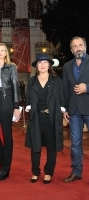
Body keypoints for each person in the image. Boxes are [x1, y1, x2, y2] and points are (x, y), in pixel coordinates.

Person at [25, 54, 65, 184]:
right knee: (35, 145)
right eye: (40, 62)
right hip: (36, 117)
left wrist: (63, 110)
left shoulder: (56, 80)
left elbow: (62, 97)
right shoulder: (31, 81)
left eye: (45, 62)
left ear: (49, 65)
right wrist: (28, 106)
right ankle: (35, 172)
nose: (42, 65)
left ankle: (48, 172)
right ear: (36, 65)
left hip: (52, 117)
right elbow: (28, 98)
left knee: (51, 146)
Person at [0, 43, 21, 181]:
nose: (0, 52)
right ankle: (4, 163)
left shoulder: (11, 67)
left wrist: (16, 107)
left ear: (6, 53)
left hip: (6, 99)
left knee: (7, 135)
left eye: (3, 50)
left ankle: (5, 168)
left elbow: (15, 86)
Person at [63, 36, 89, 183]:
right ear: (71, 49)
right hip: (74, 111)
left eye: (80, 45)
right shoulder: (67, 66)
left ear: (85, 46)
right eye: (75, 46)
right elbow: (66, 89)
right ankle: (76, 171)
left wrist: (87, 88)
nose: (78, 48)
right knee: (75, 144)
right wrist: (65, 109)